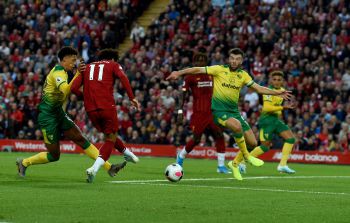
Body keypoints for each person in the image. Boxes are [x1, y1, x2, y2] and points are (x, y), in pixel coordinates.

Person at [166, 48, 293, 180]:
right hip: (218, 112)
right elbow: (196, 69)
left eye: (237, 59)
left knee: (253, 143)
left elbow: (259, 88)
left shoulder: (243, 75)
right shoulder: (219, 69)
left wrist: (278, 92)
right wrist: (178, 72)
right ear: (229, 59)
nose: (234, 61)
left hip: (234, 112)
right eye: (232, 58)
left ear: (241, 60)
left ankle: (234, 163)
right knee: (236, 126)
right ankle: (247, 157)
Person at [16, 46, 124, 178]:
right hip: (47, 117)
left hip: (58, 113)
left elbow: (72, 89)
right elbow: (66, 90)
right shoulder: (58, 73)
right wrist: (78, 73)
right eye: (72, 60)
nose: (74, 63)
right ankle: (24, 162)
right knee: (54, 155)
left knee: (80, 139)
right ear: (64, 59)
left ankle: (109, 167)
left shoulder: (65, 73)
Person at [71, 48, 141, 183]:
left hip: (90, 109)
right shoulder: (113, 64)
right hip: (107, 106)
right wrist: (132, 98)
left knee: (110, 135)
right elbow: (123, 77)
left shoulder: (87, 67)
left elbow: (73, 88)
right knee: (110, 138)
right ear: (112, 58)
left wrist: (85, 97)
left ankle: (128, 154)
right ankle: (94, 168)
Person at [176, 52, 231, 174]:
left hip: (213, 112)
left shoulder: (212, 74)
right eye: (197, 61)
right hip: (199, 113)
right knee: (196, 139)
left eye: (202, 61)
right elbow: (183, 94)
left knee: (219, 135)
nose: (200, 63)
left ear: (206, 63)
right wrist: (180, 111)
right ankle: (181, 156)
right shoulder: (190, 77)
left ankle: (221, 166)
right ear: (194, 63)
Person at [247, 71, 296, 173]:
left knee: (291, 139)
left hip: (276, 120)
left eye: (279, 80)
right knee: (265, 147)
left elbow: (276, 108)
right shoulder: (267, 91)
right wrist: (284, 107)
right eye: (274, 79)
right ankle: (242, 161)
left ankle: (282, 165)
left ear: (283, 81)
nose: (277, 82)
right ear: (271, 80)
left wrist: (282, 114)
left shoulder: (282, 91)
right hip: (266, 121)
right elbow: (267, 108)